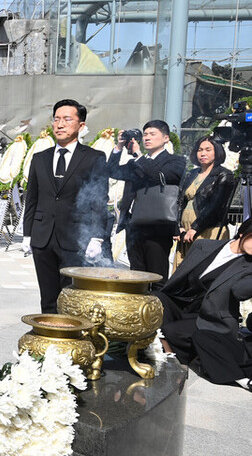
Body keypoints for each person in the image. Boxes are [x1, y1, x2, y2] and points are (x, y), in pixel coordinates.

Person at [22, 99, 108, 313]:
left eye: (67, 119)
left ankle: (72, 342)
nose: (60, 124)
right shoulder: (40, 158)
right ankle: (49, 340)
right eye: (56, 119)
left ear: (81, 126)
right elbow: (32, 198)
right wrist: (27, 234)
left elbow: (99, 200)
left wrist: (97, 237)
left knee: (72, 297)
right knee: (48, 297)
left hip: (76, 238)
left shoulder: (94, 158)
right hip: (43, 237)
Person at [156, 218, 252, 391]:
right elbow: (182, 276)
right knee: (156, 301)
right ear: (242, 233)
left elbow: (240, 291)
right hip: (182, 302)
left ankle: (172, 358)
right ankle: (167, 350)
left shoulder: (249, 265)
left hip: (210, 316)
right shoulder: (204, 246)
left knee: (172, 331)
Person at [108, 120, 186, 282]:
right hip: (133, 225)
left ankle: (157, 306)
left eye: (152, 134)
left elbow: (158, 175)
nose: (147, 138)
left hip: (158, 226)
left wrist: (139, 155)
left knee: (156, 275)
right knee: (136, 275)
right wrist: (119, 147)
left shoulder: (175, 161)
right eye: (145, 135)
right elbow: (111, 171)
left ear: (165, 138)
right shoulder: (135, 162)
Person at [173, 136, 234, 270]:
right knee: (182, 270)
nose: (203, 153)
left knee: (202, 269)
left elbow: (215, 206)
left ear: (216, 152)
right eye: (200, 150)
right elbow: (179, 201)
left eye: (208, 150)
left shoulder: (224, 175)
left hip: (208, 229)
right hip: (186, 230)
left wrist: (195, 227)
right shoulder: (191, 173)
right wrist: (178, 226)